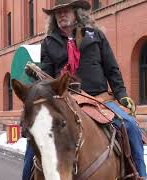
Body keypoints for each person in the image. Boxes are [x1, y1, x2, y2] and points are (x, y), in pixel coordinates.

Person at [22, 0, 146, 179]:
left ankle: (140, 174)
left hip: (100, 100)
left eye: (66, 11)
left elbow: (112, 69)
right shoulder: (49, 43)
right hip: (65, 99)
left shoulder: (96, 36)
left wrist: (122, 96)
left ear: (76, 12)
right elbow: (47, 80)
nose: (62, 15)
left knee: (131, 127)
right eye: (58, 13)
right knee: (32, 142)